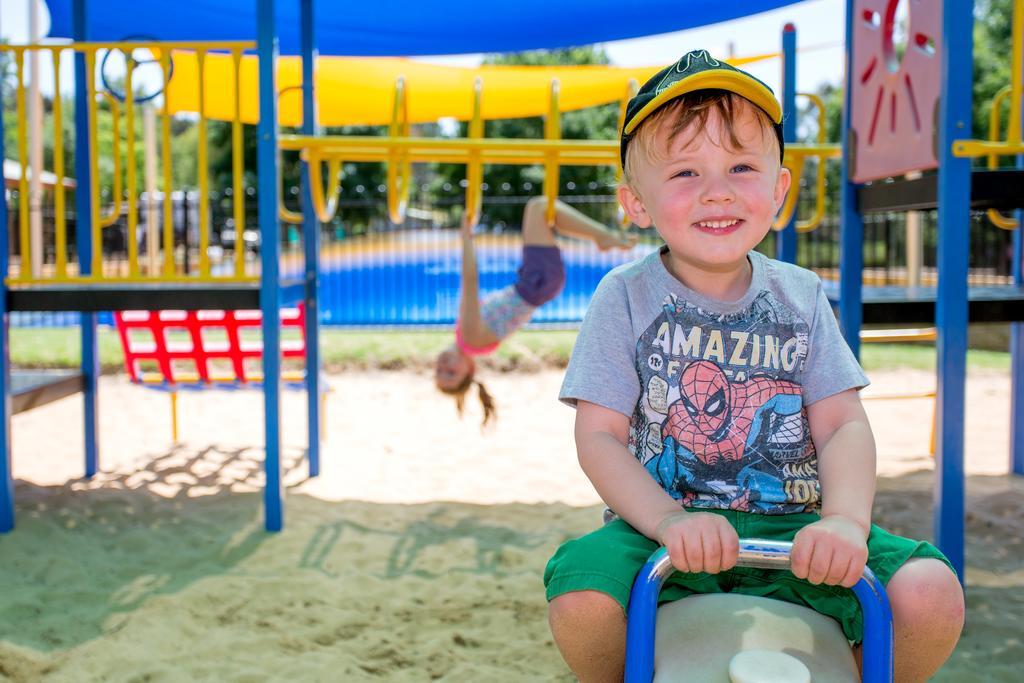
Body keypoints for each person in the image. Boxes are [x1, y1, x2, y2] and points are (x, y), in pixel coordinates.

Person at [544, 50, 964, 681]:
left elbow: (842, 423)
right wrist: (667, 520)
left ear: (779, 190)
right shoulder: (624, 297)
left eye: (742, 166)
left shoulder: (799, 296)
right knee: (580, 595)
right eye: (685, 172)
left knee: (931, 592)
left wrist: (845, 522)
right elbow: (599, 437)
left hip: (798, 527)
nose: (718, 190)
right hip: (666, 528)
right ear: (636, 203)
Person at [434, 196, 636, 426]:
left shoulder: (472, 342)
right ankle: (602, 236)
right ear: (470, 371)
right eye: (451, 373)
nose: (444, 367)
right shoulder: (470, 339)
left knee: (542, 212)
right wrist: (466, 237)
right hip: (536, 283)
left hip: (535, 283)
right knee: (538, 208)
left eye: (439, 371)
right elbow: (470, 281)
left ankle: (602, 236)